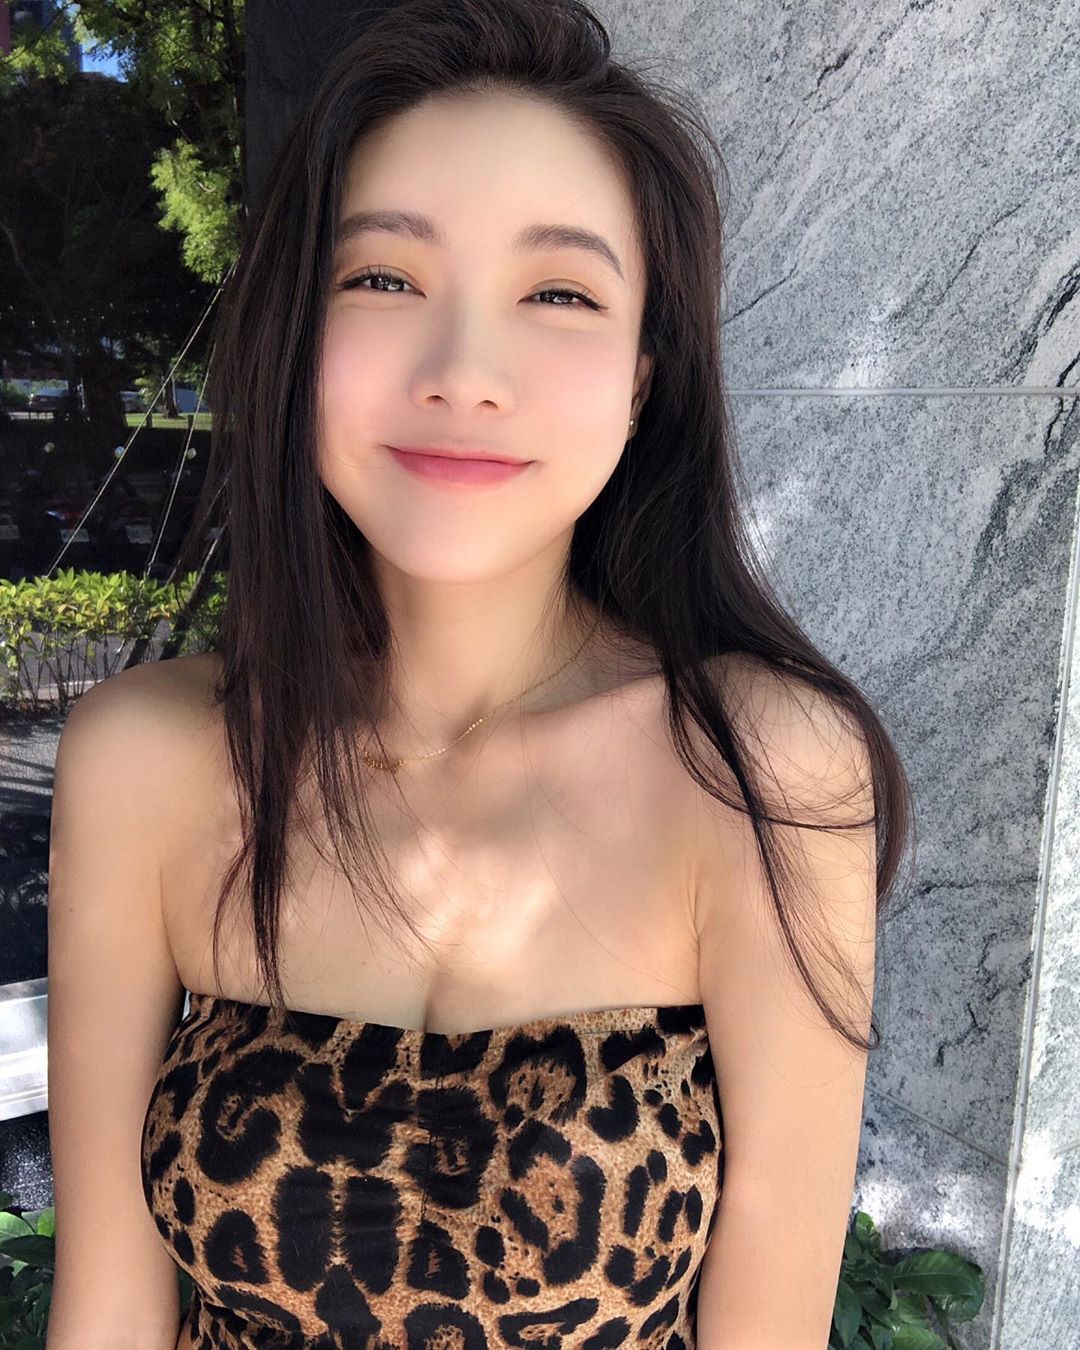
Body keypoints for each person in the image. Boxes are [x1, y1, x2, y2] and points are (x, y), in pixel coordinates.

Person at [44, 0, 913, 1346]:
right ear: (292, 334)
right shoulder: (148, 759)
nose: (464, 373)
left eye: (559, 294)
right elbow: (106, 1307)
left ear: (643, 379)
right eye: (384, 279)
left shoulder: (762, 776)